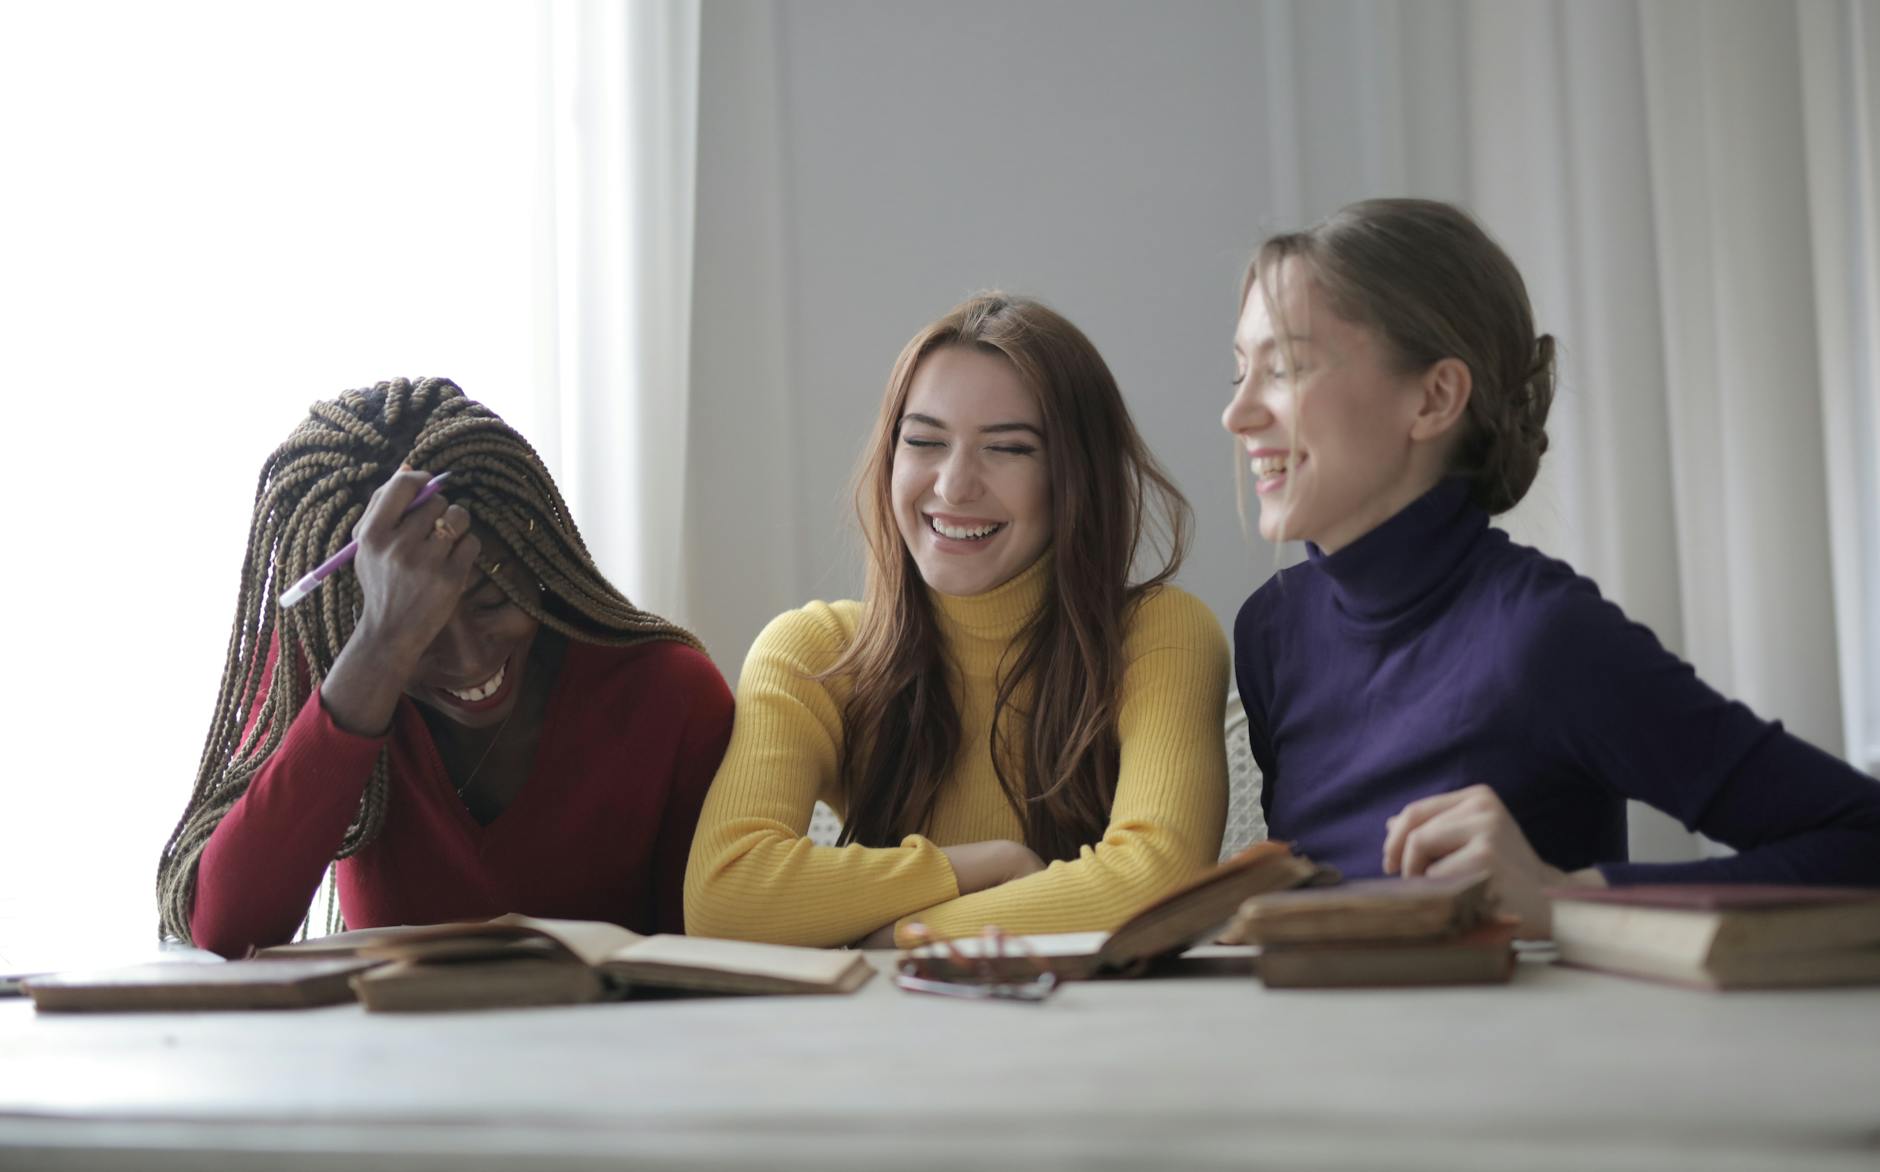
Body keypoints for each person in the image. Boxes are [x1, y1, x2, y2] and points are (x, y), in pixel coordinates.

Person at [1222, 198, 1880, 935]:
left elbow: (1864, 839)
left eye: (1283, 369)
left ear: (1434, 397)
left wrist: (1568, 897)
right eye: (1240, 372)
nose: (1237, 415)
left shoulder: (1543, 637)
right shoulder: (1273, 629)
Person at [685, 294, 1229, 948]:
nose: (953, 485)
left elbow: (1156, 885)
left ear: (1074, 476)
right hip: (887, 1043)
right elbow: (725, 900)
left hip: (1094, 1035)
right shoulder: (816, 652)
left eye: (1008, 449)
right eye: (923, 441)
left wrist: (895, 938)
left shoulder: (1159, 635)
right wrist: (978, 865)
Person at [158, 377, 732, 957]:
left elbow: (708, 962)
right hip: (390, 1045)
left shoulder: (667, 694)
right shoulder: (328, 674)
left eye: (490, 601)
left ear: (537, 558)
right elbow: (227, 930)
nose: (468, 659)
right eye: (418, 624)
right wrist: (379, 648)